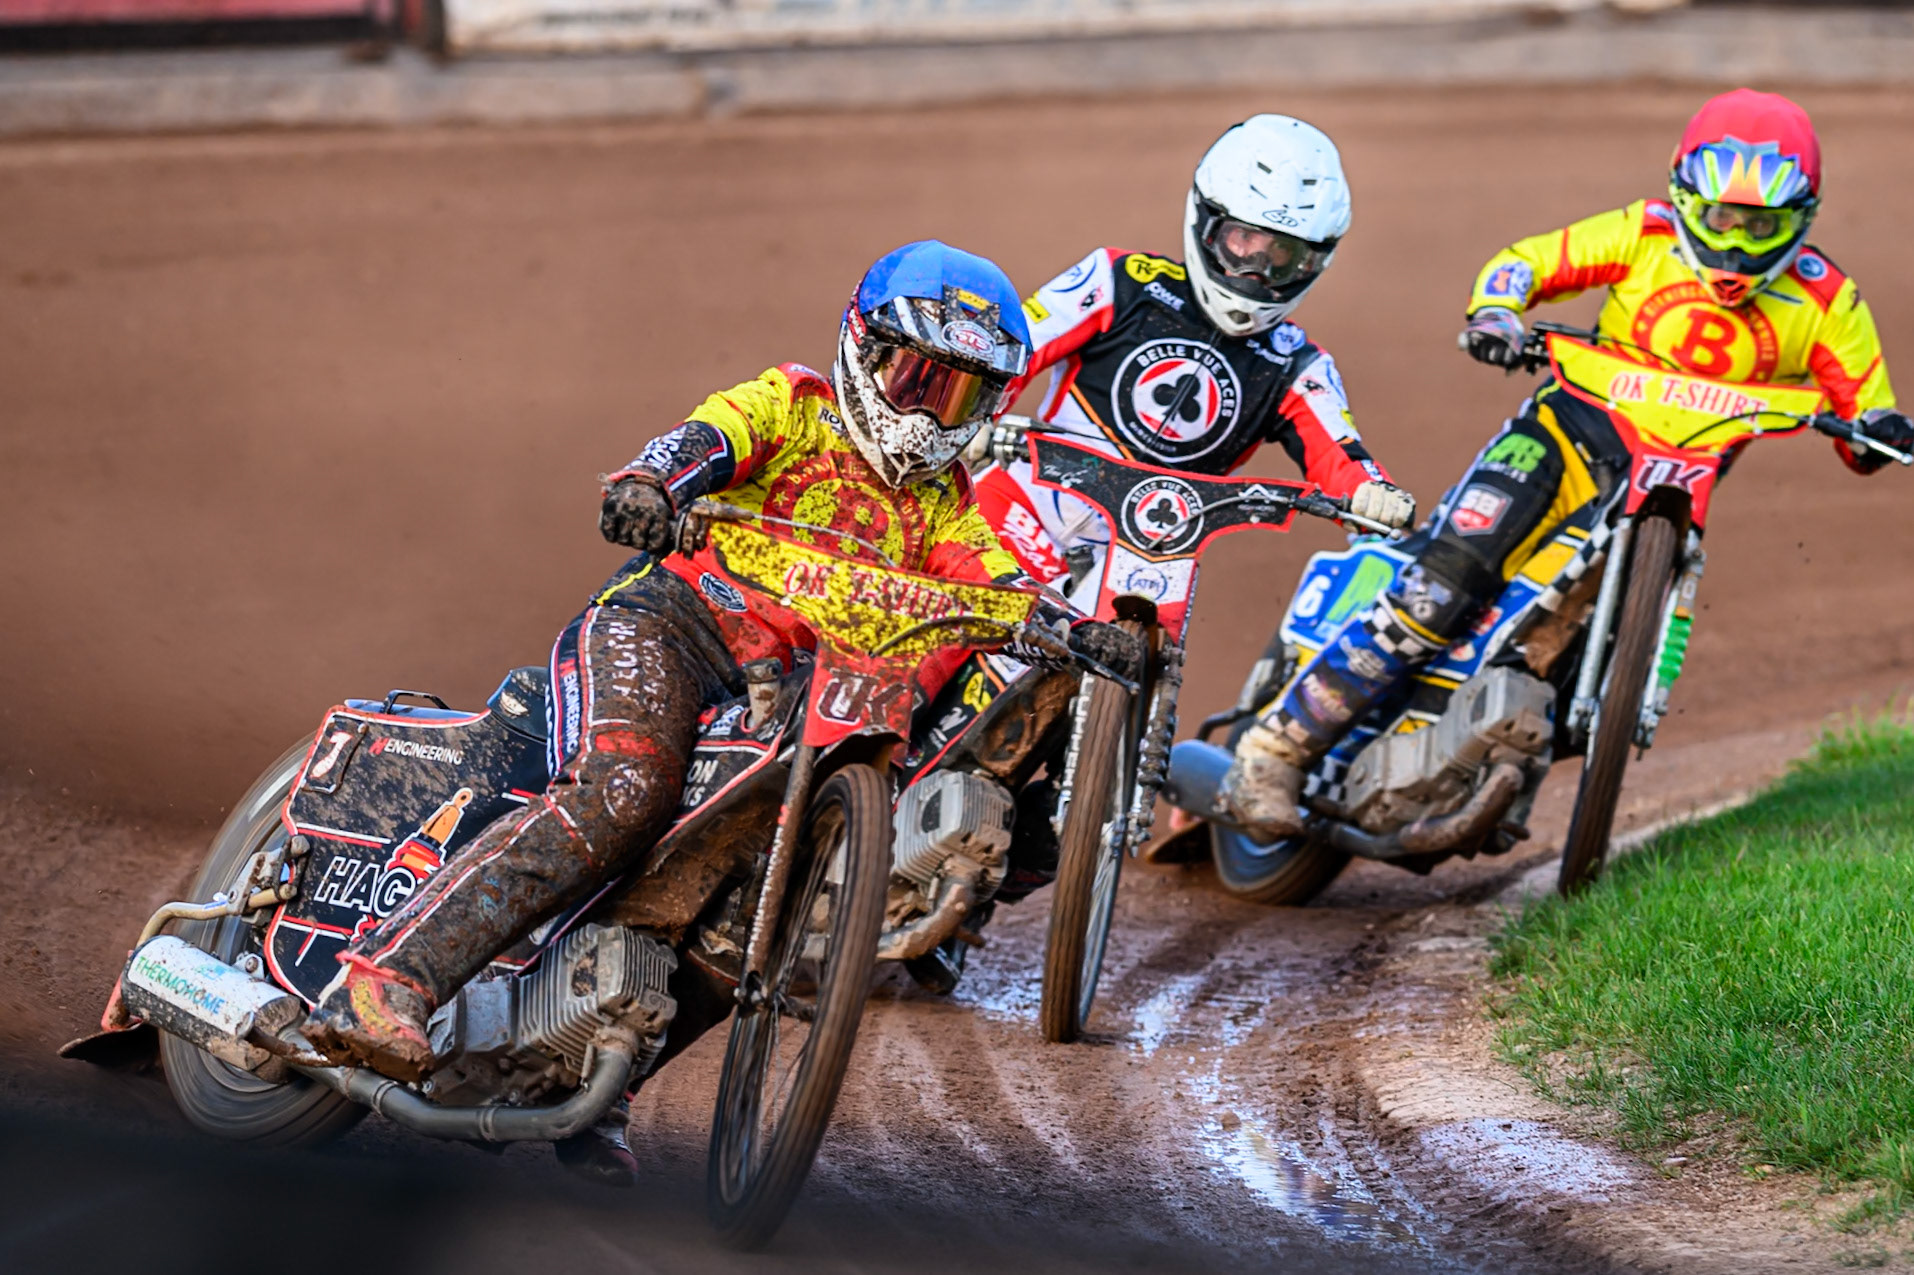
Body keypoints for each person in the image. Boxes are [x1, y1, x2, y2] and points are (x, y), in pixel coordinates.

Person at [302, 241, 1143, 1089]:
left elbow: (1001, 585)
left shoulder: (947, 509)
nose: (931, 415)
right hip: (668, 624)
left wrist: (1075, 631)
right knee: (625, 790)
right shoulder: (792, 406)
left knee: (759, 912)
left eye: (959, 392)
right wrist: (651, 486)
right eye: (919, 381)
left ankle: (596, 1078)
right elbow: (705, 438)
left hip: (776, 695)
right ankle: (385, 980)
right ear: (864, 349)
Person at [1219, 88, 1914, 838]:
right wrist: (1496, 314)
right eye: (1722, 219)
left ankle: (1485, 768)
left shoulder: (1827, 298)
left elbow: (1865, 419)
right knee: (1446, 584)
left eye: (1762, 225)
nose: (1739, 245)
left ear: (1802, 219)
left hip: (1668, 490)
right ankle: (1273, 750)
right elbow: (1526, 265)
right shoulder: (1642, 234)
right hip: (1563, 438)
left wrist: (1881, 428)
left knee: (1573, 655)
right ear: (1687, 197)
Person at [971, 114, 1416, 610]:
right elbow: (1013, 349)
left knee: (1144, 663)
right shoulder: (1120, 280)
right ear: (1207, 225)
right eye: (1244, 241)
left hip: (1152, 554)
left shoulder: (1299, 366)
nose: (1254, 271)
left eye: (1281, 256)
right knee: (955, 638)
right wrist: (974, 420)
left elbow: (1341, 453)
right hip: (1027, 504)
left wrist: (1374, 494)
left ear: (1312, 262)